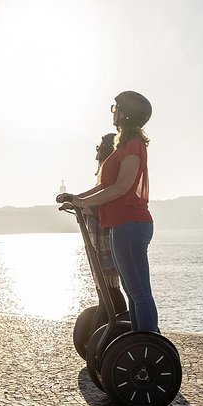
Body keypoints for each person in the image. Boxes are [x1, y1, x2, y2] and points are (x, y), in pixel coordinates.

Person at [57, 91, 157, 332]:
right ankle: (138, 341)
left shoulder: (133, 145)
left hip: (131, 225)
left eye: (115, 108)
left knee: (139, 292)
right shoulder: (123, 145)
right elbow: (105, 186)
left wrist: (82, 203)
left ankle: (150, 344)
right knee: (133, 292)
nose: (113, 113)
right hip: (121, 225)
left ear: (126, 114)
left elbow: (121, 187)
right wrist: (77, 198)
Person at [86, 133, 128, 317]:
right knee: (104, 290)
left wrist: (83, 205)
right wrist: (77, 201)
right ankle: (106, 321)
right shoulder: (105, 179)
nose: (97, 157)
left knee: (110, 289)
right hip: (99, 242)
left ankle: (117, 322)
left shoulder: (114, 177)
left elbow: (107, 202)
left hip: (110, 236)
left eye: (100, 151)